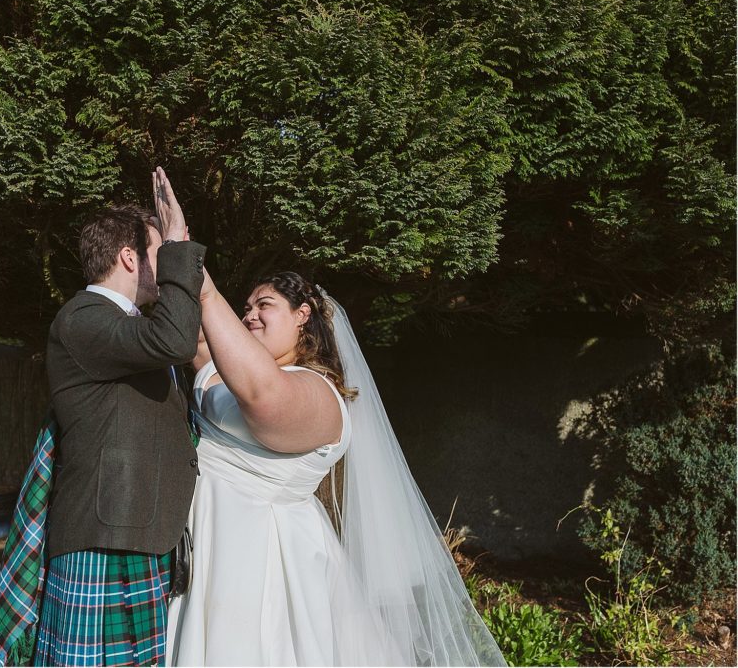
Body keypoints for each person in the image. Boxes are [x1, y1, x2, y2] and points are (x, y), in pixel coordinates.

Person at [160, 181, 506, 664]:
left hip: (260, 560)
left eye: (265, 307)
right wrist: (168, 252)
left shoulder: (318, 394)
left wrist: (201, 276)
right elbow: (196, 339)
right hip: (199, 548)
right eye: (246, 308)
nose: (250, 316)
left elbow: (263, 397)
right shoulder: (227, 370)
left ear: (304, 316)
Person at [36, 172, 207, 667]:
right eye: (157, 253)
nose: (165, 262)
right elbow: (174, 341)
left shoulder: (121, 326)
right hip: (106, 537)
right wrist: (178, 243)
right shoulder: (83, 317)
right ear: (130, 257)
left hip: (133, 531)